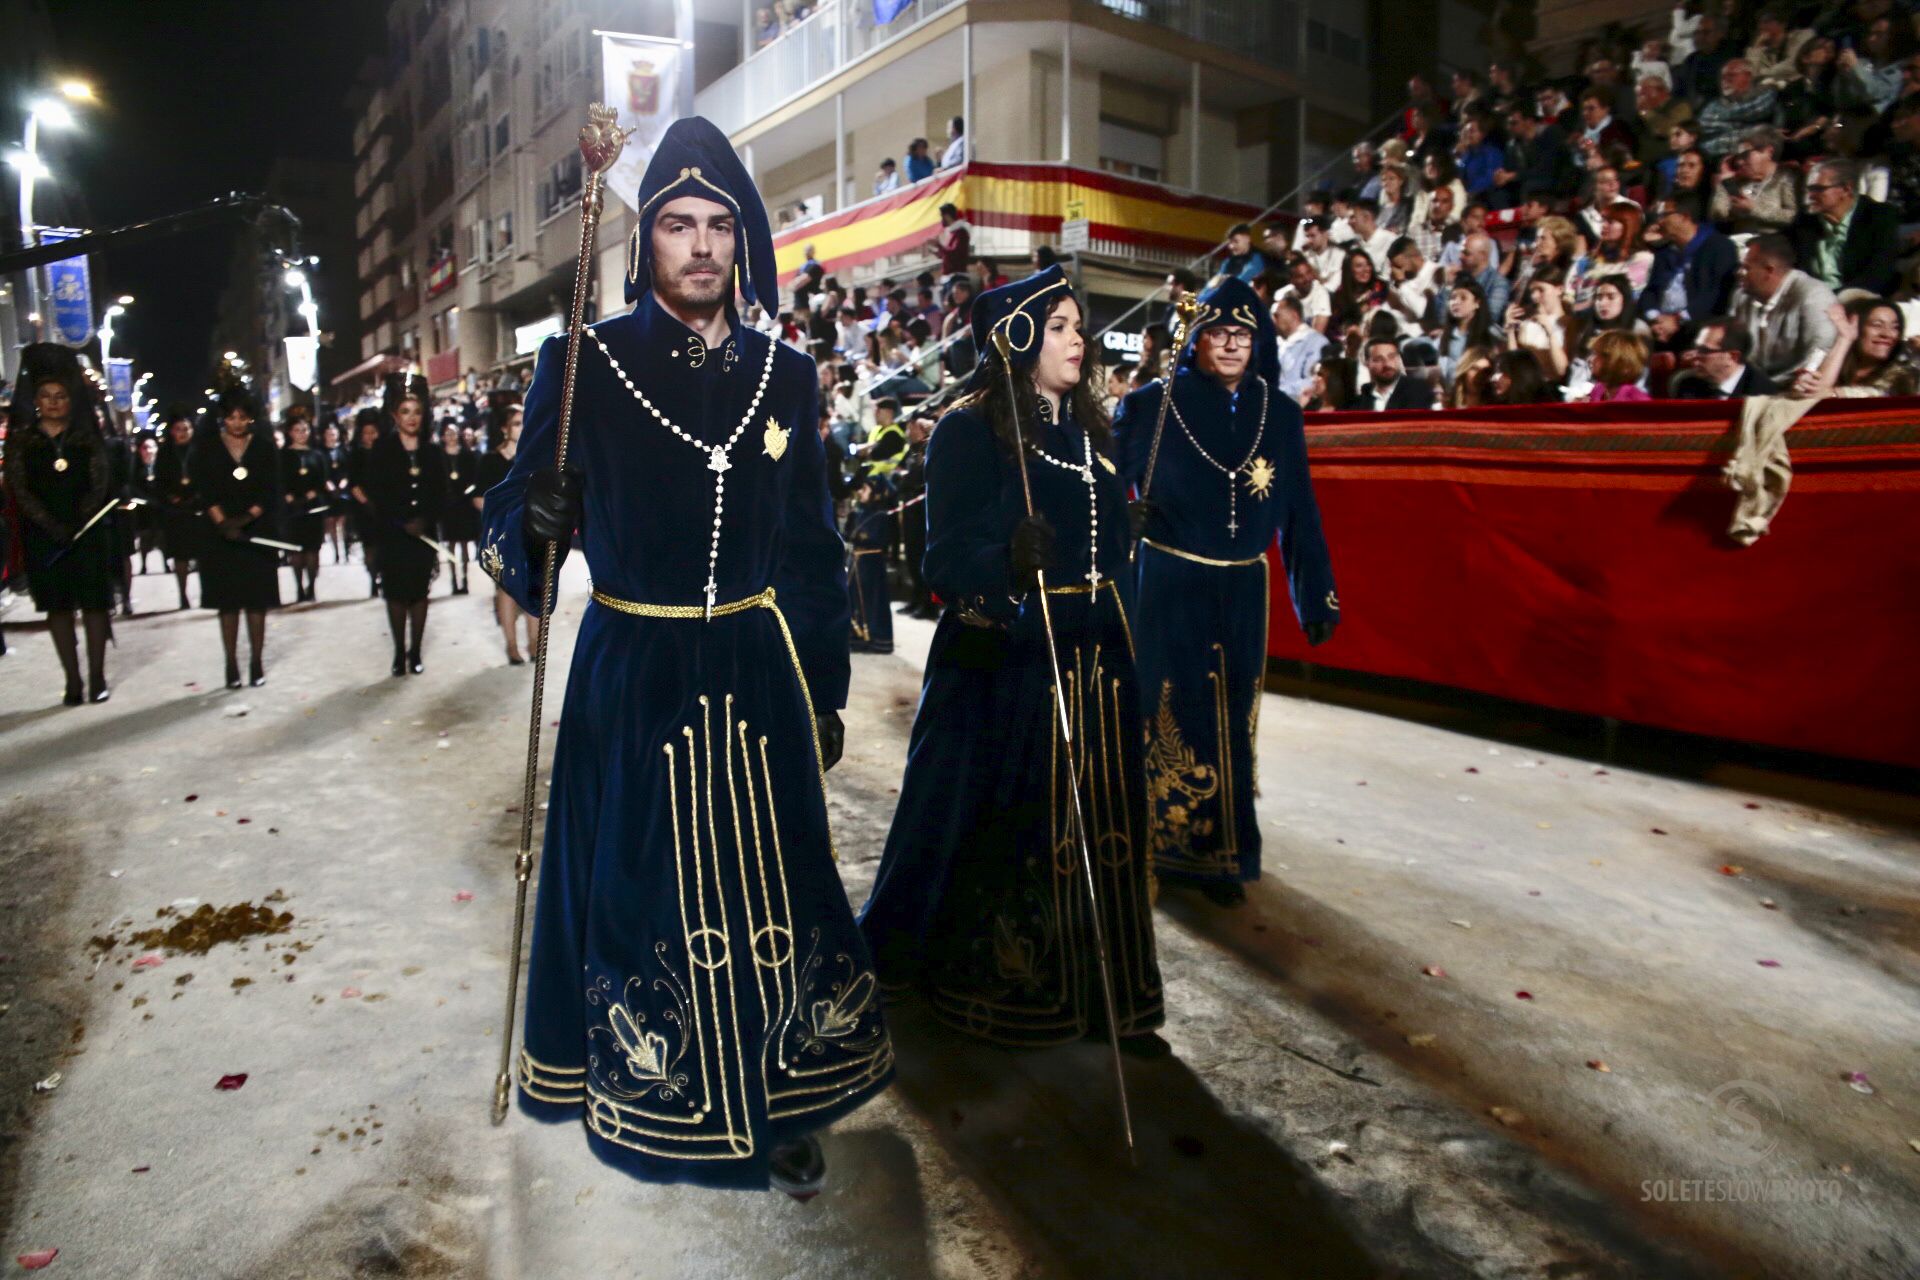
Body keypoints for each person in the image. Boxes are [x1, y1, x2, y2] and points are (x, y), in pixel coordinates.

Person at [480, 116, 890, 1197]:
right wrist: (537, 522)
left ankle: (782, 1099)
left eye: (718, 225)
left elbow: (810, 544)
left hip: (758, 665)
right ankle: (651, 1090)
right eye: (677, 224)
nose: (700, 245)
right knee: (640, 893)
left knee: (780, 895)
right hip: (635, 665)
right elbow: (514, 517)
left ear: (743, 241)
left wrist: (825, 683)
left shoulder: (788, 376)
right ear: (646, 239)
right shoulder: (582, 363)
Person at [858, 264, 1165, 1053]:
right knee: (999, 829)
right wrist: (1007, 557)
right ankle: (1010, 986)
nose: (1076, 339)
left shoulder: (1088, 433)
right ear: (1019, 339)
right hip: (1011, 665)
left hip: (1095, 662)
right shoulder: (970, 429)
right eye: (1058, 325)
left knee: (1100, 828)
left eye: (1077, 325)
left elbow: (1098, 547)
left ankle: (1108, 994)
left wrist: (1127, 527)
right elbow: (944, 559)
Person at [1113, 277, 1337, 903]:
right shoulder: (1151, 405)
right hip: (1168, 578)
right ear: (1197, 341)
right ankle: (1157, 847)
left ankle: (1223, 857)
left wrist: (1314, 594)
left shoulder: (1282, 413)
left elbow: (1299, 512)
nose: (1233, 344)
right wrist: (1116, 519)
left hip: (1243, 587)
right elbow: (1103, 485)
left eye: (1244, 333)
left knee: (1232, 716)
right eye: (1219, 333)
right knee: (1165, 709)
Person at [2, 346, 115, 704]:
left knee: (95, 604)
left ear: (70, 399)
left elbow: (100, 481)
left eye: (61, 396)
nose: (53, 403)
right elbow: (19, 487)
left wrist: (82, 517)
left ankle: (97, 677)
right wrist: (50, 524)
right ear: (35, 400)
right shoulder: (23, 442)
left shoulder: (85, 439)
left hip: (87, 531)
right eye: (46, 397)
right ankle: (73, 680)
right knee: (58, 607)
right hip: (45, 536)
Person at [191, 390, 281, 689]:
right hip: (220, 535)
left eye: (242, 417)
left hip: (256, 532)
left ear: (251, 417)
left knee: (257, 602)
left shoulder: (265, 447)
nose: (237, 423)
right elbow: (205, 489)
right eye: (231, 417)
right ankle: (231, 662)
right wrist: (224, 523)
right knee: (228, 604)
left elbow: (270, 490)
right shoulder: (207, 448)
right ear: (222, 418)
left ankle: (256, 661)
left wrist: (245, 520)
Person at [359, 376, 445, 675]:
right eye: (405, 411)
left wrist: (425, 520)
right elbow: (376, 494)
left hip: (422, 536)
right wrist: (400, 522)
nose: (412, 418)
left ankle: (416, 651)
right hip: (393, 535)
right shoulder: (382, 450)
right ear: (395, 416)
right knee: (395, 594)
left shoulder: (432, 452)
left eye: (417, 412)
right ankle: (398, 652)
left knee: (419, 593)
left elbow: (440, 493)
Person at [473, 403, 538, 665]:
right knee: (507, 589)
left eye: (524, 423)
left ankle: (534, 642)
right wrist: (504, 516)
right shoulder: (490, 460)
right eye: (515, 423)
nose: (521, 428)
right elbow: (479, 498)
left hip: (533, 531)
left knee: (535, 585)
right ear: (503, 428)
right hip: (503, 535)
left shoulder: (533, 459)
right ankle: (511, 646)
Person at [1728, 233, 1838, 380]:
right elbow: (1731, 347)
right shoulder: (1740, 296)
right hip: (1751, 385)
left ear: (1769, 270)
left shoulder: (1814, 295)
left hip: (1795, 386)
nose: (1739, 273)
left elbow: (1821, 351)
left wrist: (1775, 383)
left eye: (1746, 268)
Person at [1791, 160, 1902, 295]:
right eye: (1809, 189)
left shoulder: (1879, 216)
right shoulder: (1805, 219)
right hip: (1812, 298)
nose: (1809, 196)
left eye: (1818, 189)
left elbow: (1879, 273)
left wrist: (1835, 298)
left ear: (1845, 189)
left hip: (1859, 298)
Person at [1642, 190, 1739, 333]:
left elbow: (1715, 296)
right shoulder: (1665, 250)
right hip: (1660, 321)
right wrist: (1655, 317)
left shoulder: (1720, 247)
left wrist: (1678, 319)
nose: (1659, 221)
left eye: (1664, 215)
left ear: (1685, 217)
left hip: (1697, 323)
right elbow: (1651, 291)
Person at [1794, 296, 1920, 396]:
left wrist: (1832, 394)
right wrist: (1845, 338)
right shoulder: (1825, 358)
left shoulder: (1902, 376)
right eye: (1876, 325)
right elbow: (1811, 396)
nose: (1887, 334)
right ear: (1856, 329)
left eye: (1895, 327)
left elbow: (1876, 396)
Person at [279, 414, 330, 603]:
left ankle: (312, 586)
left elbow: (323, 479)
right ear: (290, 433)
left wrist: (315, 492)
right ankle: (298, 587)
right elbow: (279, 479)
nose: (301, 434)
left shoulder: (316, 455)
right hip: (292, 509)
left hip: (313, 507)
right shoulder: (283, 455)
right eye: (297, 430)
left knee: (313, 549)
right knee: (296, 550)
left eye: (305, 430)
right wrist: (288, 495)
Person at [154, 409, 201, 610]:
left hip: (198, 508)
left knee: (202, 552)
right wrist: (172, 497)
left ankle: (207, 592)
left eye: (186, 428)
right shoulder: (165, 452)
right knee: (180, 555)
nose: (182, 432)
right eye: (178, 429)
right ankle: (182, 594)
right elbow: (159, 481)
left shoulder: (199, 449)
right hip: (175, 510)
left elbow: (208, 476)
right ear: (172, 431)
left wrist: (198, 496)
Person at [845, 473, 894, 654]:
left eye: (864, 489)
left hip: (871, 563)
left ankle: (877, 638)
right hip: (858, 562)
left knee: (872, 601)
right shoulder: (859, 512)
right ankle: (858, 637)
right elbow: (851, 534)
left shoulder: (880, 514)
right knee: (857, 600)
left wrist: (858, 536)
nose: (860, 492)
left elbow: (874, 538)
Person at [1672, 317, 1780, 397]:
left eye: (1704, 350)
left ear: (1733, 357)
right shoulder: (1687, 385)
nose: (1694, 356)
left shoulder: (1762, 393)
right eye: (1695, 348)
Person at [437, 424, 480, 595]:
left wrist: (466, 493)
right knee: (451, 544)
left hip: (463, 504)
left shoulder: (467, 455)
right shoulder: (439, 457)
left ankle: (465, 579)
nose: (451, 437)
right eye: (448, 434)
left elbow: (474, 478)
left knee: (464, 543)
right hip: (448, 505)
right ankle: (454, 580)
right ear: (443, 437)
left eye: (454, 433)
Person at [347, 410, 385, 597]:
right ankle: (373, 578)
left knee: (384, 546)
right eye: (366, 433)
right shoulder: (356, 455)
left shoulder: (386, 453)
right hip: (364, 508)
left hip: (385, 507)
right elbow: (353, 484)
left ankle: (384, 577)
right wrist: (367, 503)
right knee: (369, 546)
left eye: (373, 432)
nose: (370, 437)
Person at [1273, 293, 1330, 402]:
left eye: (1277, 315)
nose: (1273, 321)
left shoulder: (1316, 343)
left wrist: (1277, 391)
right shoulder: (1276, 344)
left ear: (1294, 315)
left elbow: (1312, 381)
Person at [1359, 335, 1430, 410]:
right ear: (1367, 364)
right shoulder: (1365, 395)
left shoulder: (1417, 391)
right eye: (1378, 359)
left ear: (1399, 359)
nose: (1387, 364)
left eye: (1391, 357)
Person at [1586, 330, 1653, 401]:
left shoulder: (1637, 402)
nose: (1590, 359)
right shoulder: (1598, 390)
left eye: (1598, 354)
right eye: (1593, 353)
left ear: (1620, 361)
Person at [320, 420, 351, 565]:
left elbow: (348, 470)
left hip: (343, 490)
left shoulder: (344, 450)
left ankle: (345, 549)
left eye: (334, 434)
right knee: (331, 522)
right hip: (328, 492)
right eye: (329, 434)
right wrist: (329, 485)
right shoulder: (321, 452)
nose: (331, 436)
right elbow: (321, 472)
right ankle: (337, 553)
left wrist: (343, 483)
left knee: (342, 523)